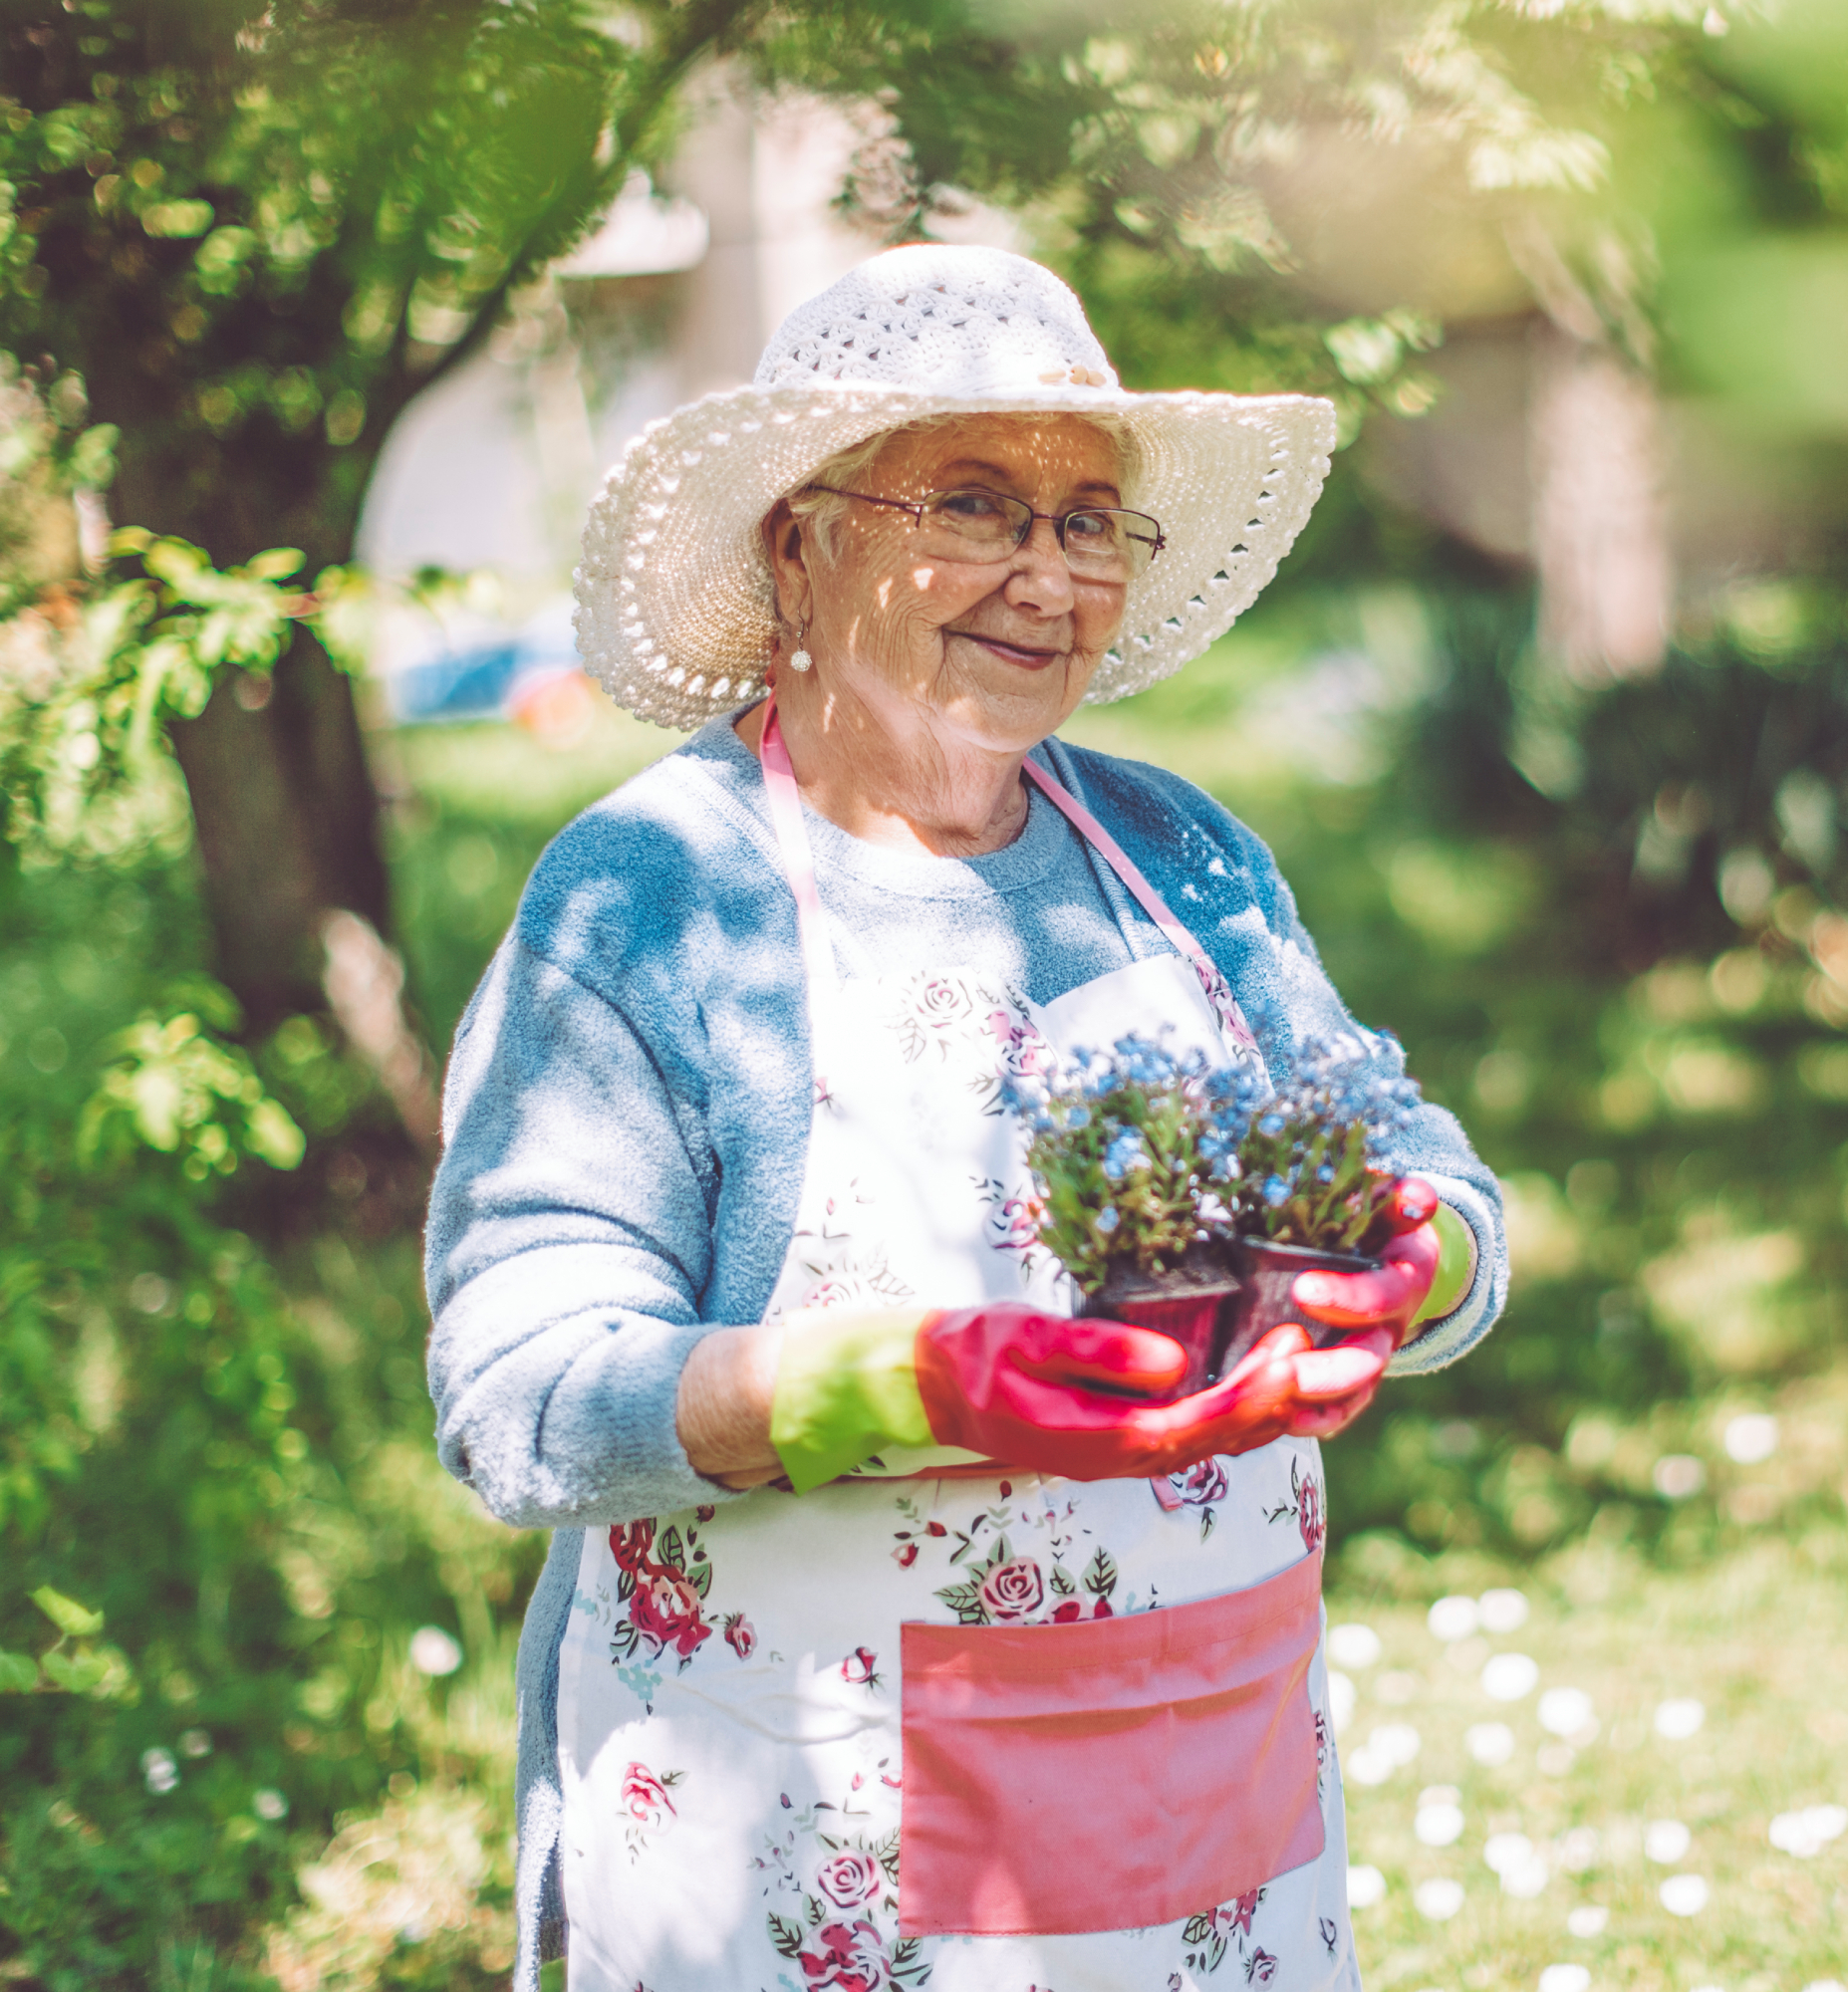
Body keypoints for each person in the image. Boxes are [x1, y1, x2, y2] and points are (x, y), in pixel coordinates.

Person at [427, 245, 1507, 1992]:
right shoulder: (651, 891)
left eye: (1090, 520)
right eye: (978, 503)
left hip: (1208, 1818)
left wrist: (1413, 1257)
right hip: (807, 1842)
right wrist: (899, 1385)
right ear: (801, 540)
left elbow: (1424, 1176)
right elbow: (518, 1390)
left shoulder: (1182, 857)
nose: (1048, 575)